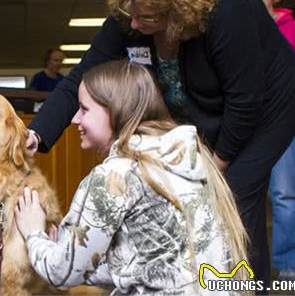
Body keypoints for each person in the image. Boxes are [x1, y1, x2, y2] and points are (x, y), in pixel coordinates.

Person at [25, 0, 295, 287]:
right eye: (131, 14)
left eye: (146, 18)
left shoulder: (228, 9)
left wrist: (214, 168)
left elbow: (245, 101)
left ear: (179, 9)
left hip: (265, 110)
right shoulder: (130, 16)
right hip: (202, 113)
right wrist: (36, 133)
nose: (134, 25)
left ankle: (244, 288)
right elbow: (81, 76)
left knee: (234, 199)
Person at [16, 60, 248, 294]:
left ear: (115, 110)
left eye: (84, 109)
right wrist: (64, 250)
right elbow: (144, 263)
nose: (75, 119)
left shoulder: (115, 176)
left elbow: (61, 274)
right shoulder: (188, 159)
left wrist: (33, 232)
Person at [255, 0, 295, 282]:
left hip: (287, 123)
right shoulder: (243, 29)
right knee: (246, 194)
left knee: (284, 194)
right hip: (252, 125)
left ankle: (288, 262)